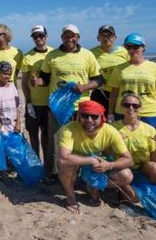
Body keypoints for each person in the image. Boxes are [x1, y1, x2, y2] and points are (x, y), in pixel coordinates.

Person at [34, 24, 103, 184]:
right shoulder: (52, 55)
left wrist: (85, 87)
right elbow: (45, 78)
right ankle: (52, 173)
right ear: (62, 37)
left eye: (72, 36)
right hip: (58, 108)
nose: (69, 38)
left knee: (81, 140)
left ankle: (80, 174)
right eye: (66, 35)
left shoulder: (87, 55)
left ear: (78, 37)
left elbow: (99, 80)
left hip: (82, 108)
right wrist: (39, 81)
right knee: (56, 140)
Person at [58, 101, 133, 214]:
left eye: (94, 116)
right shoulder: (69, 129)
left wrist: (109, 165)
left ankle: (94, 185)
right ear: (79, 116)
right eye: (85, 115)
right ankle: (70, 196)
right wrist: (91, 160)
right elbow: (63, 159)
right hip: (79, 162)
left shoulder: (110, 131)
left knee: (126, 175)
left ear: (101, 118)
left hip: (99, 165)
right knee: (66, 166)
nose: (89, 120)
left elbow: (129, 160)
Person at [108, 33, 156, 132]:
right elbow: (114, 93)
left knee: (149, 143)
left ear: (143, 47)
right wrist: (110, 114)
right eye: (128, 47)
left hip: (148, 113)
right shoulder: (119, 69)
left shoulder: (155, 67)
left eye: (135, 46)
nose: (132, 50)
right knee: (122, 143)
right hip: (123, 112)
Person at [111, 93, 156, 203]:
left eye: (135, 105)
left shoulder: (149, 129)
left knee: (154, 166)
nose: (131, 108)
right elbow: (105, 154)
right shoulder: (112, 129)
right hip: (122, 170)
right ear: (121, 107)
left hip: (141, 167)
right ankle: (124, 192)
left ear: (140, 108)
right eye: (127, 105)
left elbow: (155, 159)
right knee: (134, 199)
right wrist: (114, 143)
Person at [20, 25, 54, 172]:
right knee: (33, 134)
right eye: (35, 36)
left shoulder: (54, 53)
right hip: (34, 103)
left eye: (41, 35)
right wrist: (28, 101)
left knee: (47, 136)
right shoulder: (28, 57)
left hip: (51, 103)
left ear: (46, 36)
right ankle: (36, 164)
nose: (38, 38)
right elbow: (24, 81)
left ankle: (47, 165)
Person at [90, 25, 129, 117]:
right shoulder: (91, 53)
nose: (106, 38)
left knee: (119, 122)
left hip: (120, 93)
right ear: (98, 38)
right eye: (103, 35)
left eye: (109, 35)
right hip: (100, 93)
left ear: (115, 38)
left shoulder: (124, 52)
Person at [0, 62, 22, 134]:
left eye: (9, 74)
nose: (7, 76)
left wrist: (18, 124)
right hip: (2, 129)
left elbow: (17, 106)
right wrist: (1, 128)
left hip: (15, 127)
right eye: (4, 73)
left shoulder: (13, 87)